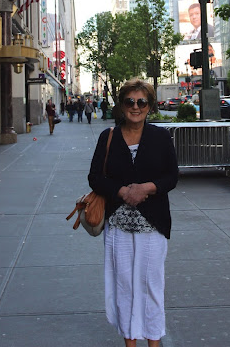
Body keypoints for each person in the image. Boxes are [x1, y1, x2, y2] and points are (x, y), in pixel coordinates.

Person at [88, 78, 179, 347]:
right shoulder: (108, 137)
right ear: (121, 105)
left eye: (142, 102)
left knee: (151, 286)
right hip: (118, 225)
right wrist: (121, 192)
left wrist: (147, 188)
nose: (135, 107)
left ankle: (153, 342)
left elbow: (172, 177)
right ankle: (130, 343)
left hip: (153, 225)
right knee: (124, 286)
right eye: (130, 101)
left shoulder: (161, 137)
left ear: (150, 106)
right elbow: (95, 177)